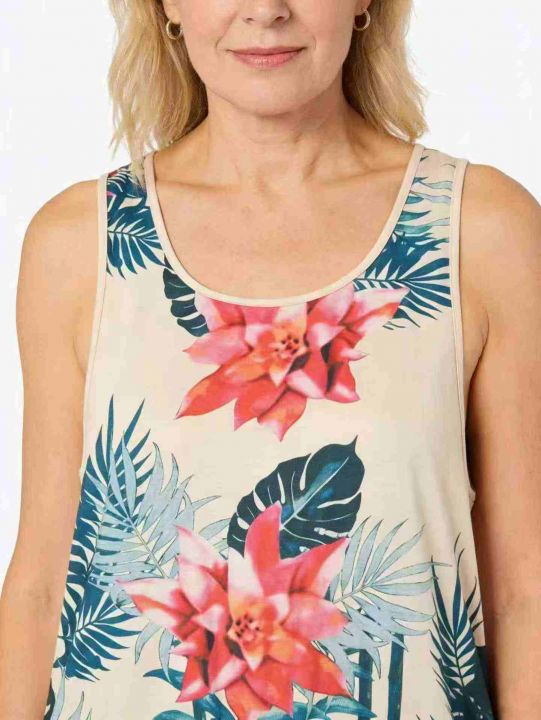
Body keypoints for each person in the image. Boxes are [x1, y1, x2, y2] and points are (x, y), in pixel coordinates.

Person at [0, 1, 540, 719]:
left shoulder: (477, 229)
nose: (264, 10)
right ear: (167, 6)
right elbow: (42, 582)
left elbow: (522, 589)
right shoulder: (82, 242)